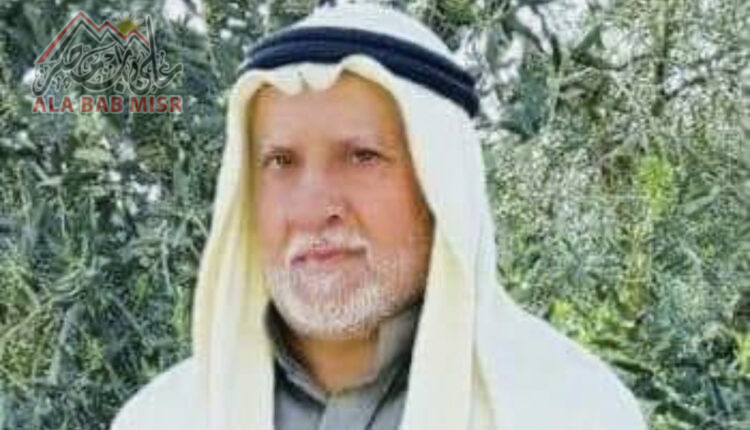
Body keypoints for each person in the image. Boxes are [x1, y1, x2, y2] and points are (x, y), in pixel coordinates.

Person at [111, 3, 647, 430]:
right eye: (280, 162)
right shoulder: (163, 418)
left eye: (362, 157)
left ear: (438, 186)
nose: (312, 210)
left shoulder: (568, 409)